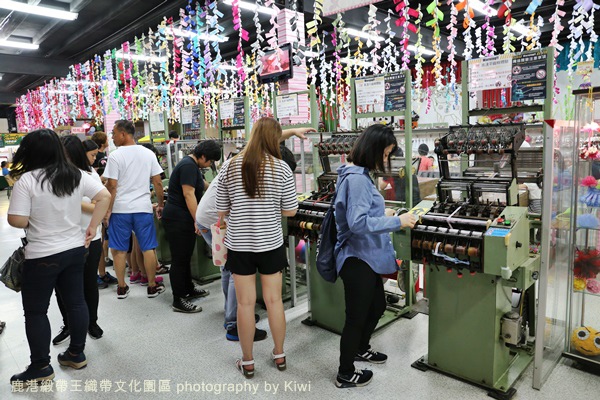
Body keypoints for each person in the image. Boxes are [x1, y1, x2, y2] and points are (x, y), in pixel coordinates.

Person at [7, 129, 110, 385]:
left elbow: (17, 219)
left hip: (42, 255)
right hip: (75, 250)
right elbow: (104, 197)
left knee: (36, 312)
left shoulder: (27, 181)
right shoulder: (74, 174)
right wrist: (92, 228)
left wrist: (38, 215)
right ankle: (76, 353)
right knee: (76, 302)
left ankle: (41, 366)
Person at [197, 127, 311, 341]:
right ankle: (235, 326)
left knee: (239, 291)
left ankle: (243, 345)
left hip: (218, 224)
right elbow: (289, 210)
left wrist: (294, 131)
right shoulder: (272, 169)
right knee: (270, 299)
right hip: (234, 230)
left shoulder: (234, 163)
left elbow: (224, 208)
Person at [334, 124, 416, 388]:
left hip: (366, 256)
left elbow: (362, 215)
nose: (386, 159)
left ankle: (360, 348)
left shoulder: (360, 174)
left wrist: (385, 216)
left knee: (377, 306)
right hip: (357, 258)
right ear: (374, 150)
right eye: (386, 153)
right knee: (356, 317)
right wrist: (397, 222)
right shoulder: (357, 179)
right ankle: (345, 373)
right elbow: (357, 223)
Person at [216, 117, 298, 377]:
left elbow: (222, 210)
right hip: (271, 244)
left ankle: (248, 360)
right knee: (274, 301)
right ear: (275, 139)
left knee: (245, 304)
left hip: (240, 245)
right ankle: (280, 354)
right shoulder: (282, 168)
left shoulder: (229, 167)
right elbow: (290, 210)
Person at [52, 137, 107, 346]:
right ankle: (68, 324)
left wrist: (73, 201)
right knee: (62, 286)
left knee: (88, 283)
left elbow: (99, 204)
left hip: (89, 237)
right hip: (63, 239)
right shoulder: (56, 176)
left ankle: (92, 322)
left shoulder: (88, 174)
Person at [103, 120, 165, 299]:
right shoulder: (148, 154)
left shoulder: (115, 156)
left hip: (120, 209)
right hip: (143, 208)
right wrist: (160, 204)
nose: (112, 137)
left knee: (119, 250)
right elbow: (158, 182)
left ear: (123, 134)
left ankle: (122, 287)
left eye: (114, 133)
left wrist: (108, 210)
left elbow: (112, 186)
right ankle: (152, 286)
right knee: (148, 248)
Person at [162, 140, 221, 313]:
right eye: (210, 161)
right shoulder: (188, 166)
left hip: (182, 218)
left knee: (185, 256)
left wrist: (218, 189)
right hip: (178, 218)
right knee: (179, 259)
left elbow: (202, 185)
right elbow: (189, 195)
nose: (210, 165)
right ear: (203, 156)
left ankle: (188, 288)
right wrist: (198, 220)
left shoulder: (193, 166)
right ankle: (178, 300)